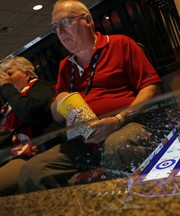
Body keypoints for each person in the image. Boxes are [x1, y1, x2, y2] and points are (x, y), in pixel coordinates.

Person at [17, 0, 162, 192]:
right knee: (33, 170)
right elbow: (57, 116)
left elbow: (151, 88)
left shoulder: (120, 44)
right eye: (55, 27)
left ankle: (126, 200)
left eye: (66, 22)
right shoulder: (65, 66)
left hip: (125, 127)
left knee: (117, 145)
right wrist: (59, 101)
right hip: (83, 144)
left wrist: (118, 119)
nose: (59, 31)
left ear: (88, 21)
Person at [0, 56, 55, 196]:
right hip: (8, 153)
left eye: (9, 74)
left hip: (30, 153)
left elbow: (29, 112)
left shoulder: (40, 86)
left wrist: (7, 87)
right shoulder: (9, 104)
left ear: (27, 73)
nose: (5, 79)